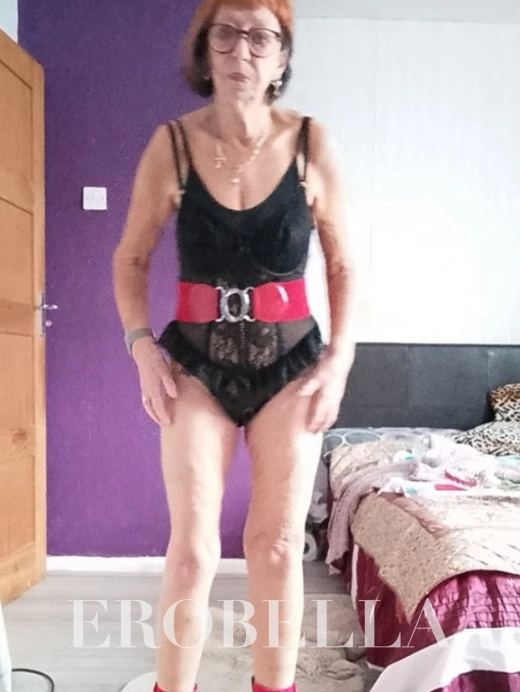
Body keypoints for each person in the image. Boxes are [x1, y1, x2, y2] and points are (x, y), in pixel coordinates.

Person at [112, 1, 356, 691]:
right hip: (194, 367)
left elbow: (343, 264)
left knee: (274, 546)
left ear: (282, 56)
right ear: (204, 48)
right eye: (226, 33)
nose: (241, 49)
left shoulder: (311, 143)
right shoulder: (171, 145)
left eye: (260, 36)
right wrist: (141, 348)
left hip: (293, 367)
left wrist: (340, 360)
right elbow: (131, 259)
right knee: (191, 553)